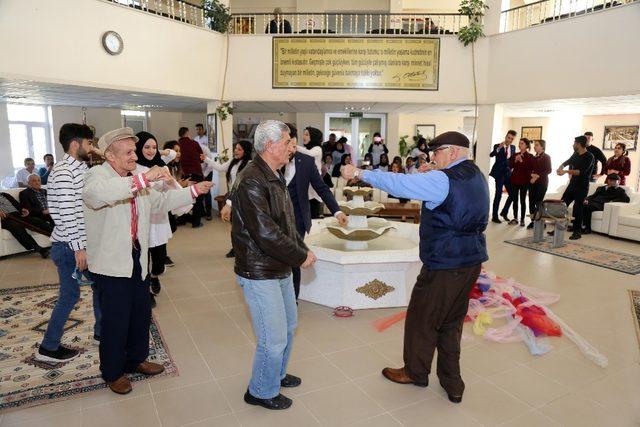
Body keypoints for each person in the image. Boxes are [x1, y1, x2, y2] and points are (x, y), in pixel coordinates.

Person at [341, 131, 489, 404]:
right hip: (471, 260)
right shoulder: (476, 174)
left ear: (453, 152)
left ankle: (415, 372)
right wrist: (433, 171)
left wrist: (360, 173)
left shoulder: (442, 180)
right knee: (451, 322)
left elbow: (399, 184)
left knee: (423, 319)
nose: (433, 158)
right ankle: (452, 383)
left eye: (437, 153)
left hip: (444, 263)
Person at [83, 127, 212, 395]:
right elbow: (98, 195)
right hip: (111, 261)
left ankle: (135, 359)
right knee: (116, 319)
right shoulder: (97, 175)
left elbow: (161, 202)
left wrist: (194, 191)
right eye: (128, 152)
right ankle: (113, 372)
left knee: (140, 313)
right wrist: (142, 180)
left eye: (134, 150)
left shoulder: (135, 179)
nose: (134, 155)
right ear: (110, 156)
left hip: (136, 256)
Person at [230, 120, 316, 410]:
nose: (293, 147)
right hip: (259, 270)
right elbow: (266, 233)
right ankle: (260, 390)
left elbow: (286, 224)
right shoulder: (252, 179)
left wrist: (300, 248)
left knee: (289, 326)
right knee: (273, 337)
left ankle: (276, 374)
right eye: (288, 141)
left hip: (277, 265)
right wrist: (300, 256)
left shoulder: (273, 173)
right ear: (270, 146)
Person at [35, 123, 101, 363]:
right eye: (89, 143)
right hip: (69, 247)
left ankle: (101, 334)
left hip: (81, 244)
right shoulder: (63, 172)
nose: (91, 148)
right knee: (69, 296)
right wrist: (79, 248)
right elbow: (65, 213)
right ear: (76, 143)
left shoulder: (80, 168)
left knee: (99, 288)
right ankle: (48, 347)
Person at [282, 125, 346, 299]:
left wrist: (337, 211)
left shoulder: (306, 161)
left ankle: (292, 300)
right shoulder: (270, 161)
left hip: (297, 220)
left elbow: (322, 188)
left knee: (294, 259)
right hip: (274, 220)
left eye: (292, 143)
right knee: (277, 260)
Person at [135, 131, 192, 308]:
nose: (151, 151)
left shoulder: (162, 167)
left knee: (159, 262)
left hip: (158, 220)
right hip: (141, 219)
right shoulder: (132, 168)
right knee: (142, 259)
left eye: (154, 147)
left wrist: (169, 182)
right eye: (147, 147)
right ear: (139, 148)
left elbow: (173, 192)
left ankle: (154, 276)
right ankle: (146, 291)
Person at [209, 140, 253, 258]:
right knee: (235, 225)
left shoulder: (250, 164)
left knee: (245, 226)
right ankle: (235, 248)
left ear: (246, 151)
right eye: (235, 148)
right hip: (232, 197)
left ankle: (246, 249)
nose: (236, 151)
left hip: (245, 199)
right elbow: (219, 167)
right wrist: (206, 159)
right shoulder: (233, 162)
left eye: (239, 149)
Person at [555, 135, 595, 240]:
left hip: (582, 187)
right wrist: (560, 167)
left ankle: (577, 232)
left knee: (578, 209)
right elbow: (567, 162)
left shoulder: (589, 157)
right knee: (562, 205)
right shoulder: (576, 154)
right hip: (572, 185)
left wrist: (565, 172)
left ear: (579, 144)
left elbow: (580, 172)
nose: (573, 144)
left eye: (574, 143)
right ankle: (557, 229)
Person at [0, 191, 51, 258]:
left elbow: (17, 205)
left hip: (17, 215)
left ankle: (60, 238)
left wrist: (22, 210)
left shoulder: (5, 195)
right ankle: (39, 249)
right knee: (16, 227)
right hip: (5, 219)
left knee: (37, 221)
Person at [178, 127, 206, 228]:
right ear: (187, 133)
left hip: (184, 175)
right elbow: (201, 158)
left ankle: (182, 220)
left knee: (184, 198)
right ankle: (196, 222)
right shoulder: (194, 143)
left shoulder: (178, 145)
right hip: (196, 174)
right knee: (198, 199)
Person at [489, 130, 517, 223]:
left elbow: (512, 160)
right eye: (508, 137)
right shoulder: (498, 146)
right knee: (498, 195)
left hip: (508, 174)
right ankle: (494, 216)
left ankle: (504, 212)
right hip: (499, 174)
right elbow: (491, 155)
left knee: (513, 194)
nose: (509, 140)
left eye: (512, 139)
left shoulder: (513, 147)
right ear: (506, 137)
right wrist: (498, 148)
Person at [298, 126, 324, 219]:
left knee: (313, 208)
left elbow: (310, 154)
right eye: (304, 134)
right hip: (307, 182)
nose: (304, 136)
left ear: (313, 136)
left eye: (307, 134)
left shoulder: (317, 148)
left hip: (315, 182)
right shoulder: (307, 149)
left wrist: (295, 147)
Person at [507, 138, 534, 226]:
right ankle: (515, 218)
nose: (520, 145)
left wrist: (521, 161)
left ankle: (522, 219)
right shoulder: (515, 154)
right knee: (515, 200)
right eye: (519, 143)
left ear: (526, 145)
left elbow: (529, 169)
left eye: (522, 143)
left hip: (524, 181)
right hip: (514, 180)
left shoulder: (530, 156)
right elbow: (510, 166)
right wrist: (515, 160)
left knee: (522, 200)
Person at [527, 140, 552, 229]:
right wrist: (531, 175)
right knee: (531, 202)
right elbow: (529, 169)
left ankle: (541, 221)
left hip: (542, 182)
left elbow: (548, 170)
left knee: (538, 202)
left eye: (537, 145)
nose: (534, 147)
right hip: (532, 182)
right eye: (534, 145)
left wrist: (537, 176)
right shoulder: (533, 157)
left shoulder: (546, 157)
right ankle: (533, 221)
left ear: (542, 147)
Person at [194, 123, 215, 220]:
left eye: (199, 129)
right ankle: (201, 212)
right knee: (199, 191)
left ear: (203, 129)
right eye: (196, 129)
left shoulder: (206, 146)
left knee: (207, 193)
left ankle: (209, 213)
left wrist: (205, 175)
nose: (198, 131)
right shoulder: (195, 140)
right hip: (199, 170)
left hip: (208, 170)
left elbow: (210, 165)